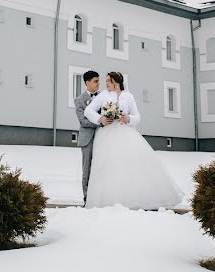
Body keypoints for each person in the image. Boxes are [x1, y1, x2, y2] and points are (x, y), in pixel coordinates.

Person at [82, 71, 183, 209]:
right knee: (108, 167)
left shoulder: (128, 97)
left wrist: (128, 118)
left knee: (126, 165)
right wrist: (101, 119)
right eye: (105, 81)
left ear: (117, 82)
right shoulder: (103, 95)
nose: (106, 83)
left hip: (125, 134)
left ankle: (131, 200)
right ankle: (106, 201)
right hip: (106, 135)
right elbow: (88, 110)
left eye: (108, 81)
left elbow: (137, 117)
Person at [74, 70, 112, 205]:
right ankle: (87, 199)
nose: (98, 84)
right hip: (87, 139)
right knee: (87, 170)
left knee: (101, 168)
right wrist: (100, 122)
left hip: (102, 138)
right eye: (95, 81)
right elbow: (83, 121)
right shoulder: (79, 100)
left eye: (99, 81)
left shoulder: (102, 96)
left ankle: (101, 197)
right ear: (87, 83)